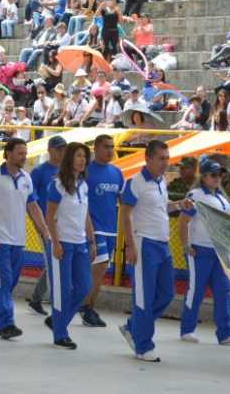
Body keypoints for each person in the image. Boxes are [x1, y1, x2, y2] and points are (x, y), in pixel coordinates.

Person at [118, 140, 193, 362]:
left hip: (162, 244)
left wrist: (179, 205)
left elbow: (162, 207)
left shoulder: (161, 182)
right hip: (144, 244)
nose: (165, 163)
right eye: (161, 158)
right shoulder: (135, 182)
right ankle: (143, 346)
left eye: (167, 158)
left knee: (166, 294)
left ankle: (133, 326)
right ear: (148, 158)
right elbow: (124, 215)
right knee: (144, 297)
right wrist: (130, 246)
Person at [0, 138, 50, 339]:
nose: (24, 156)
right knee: (3, 281)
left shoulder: (26, 179)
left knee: (9, 283)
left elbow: (33, 207)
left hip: (19, 241)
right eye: (20, 153)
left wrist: (45, 231)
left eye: (25, 152)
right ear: (8, 153)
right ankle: (7, 323)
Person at [178, 159, 230, 345]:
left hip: (219, 251)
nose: (218, 178)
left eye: (220, 175)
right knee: (196, 290)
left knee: (223, 291)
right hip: (199, 249)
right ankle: (187, 329)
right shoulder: (196, 195)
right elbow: (183, 221)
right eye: (214, 175)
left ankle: (225, 333)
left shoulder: (222, 199)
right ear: (204, 176)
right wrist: (186, 245)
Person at [43, 142, 96, 349]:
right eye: (79, 156)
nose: (83, 160)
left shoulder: (83, 184)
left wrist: (91, 241)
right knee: (62, 290)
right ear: (69, 159)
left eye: (85, 156)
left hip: (80, 242)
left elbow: (86, 215)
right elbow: (50, 215)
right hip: (62, 243)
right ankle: (60, 333)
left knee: (84, 287)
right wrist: (55, 243)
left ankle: (58, 320)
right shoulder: (57, 184)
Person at [81, 135, 124, 327]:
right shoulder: (86, 172)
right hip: (94, 229)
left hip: (111, 230)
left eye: (112, 147)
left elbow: (123, 201)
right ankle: (85, 308)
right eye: (106, 147)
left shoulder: (117, 172)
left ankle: (85, 306)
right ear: (96, 148)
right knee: (96, 271)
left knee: (100, 272)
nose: (110, 150)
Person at [28, 136, 67, 315]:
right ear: (50, 150)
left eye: (63, 149)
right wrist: (38, 224)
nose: (61, 152)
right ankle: (56, 303)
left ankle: (36, 298)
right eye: (58, 149)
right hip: (46, 224)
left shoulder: (67, 171)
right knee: (53, 262)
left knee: (55, 261)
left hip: (64, 224)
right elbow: (30, 199)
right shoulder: (39, 171)